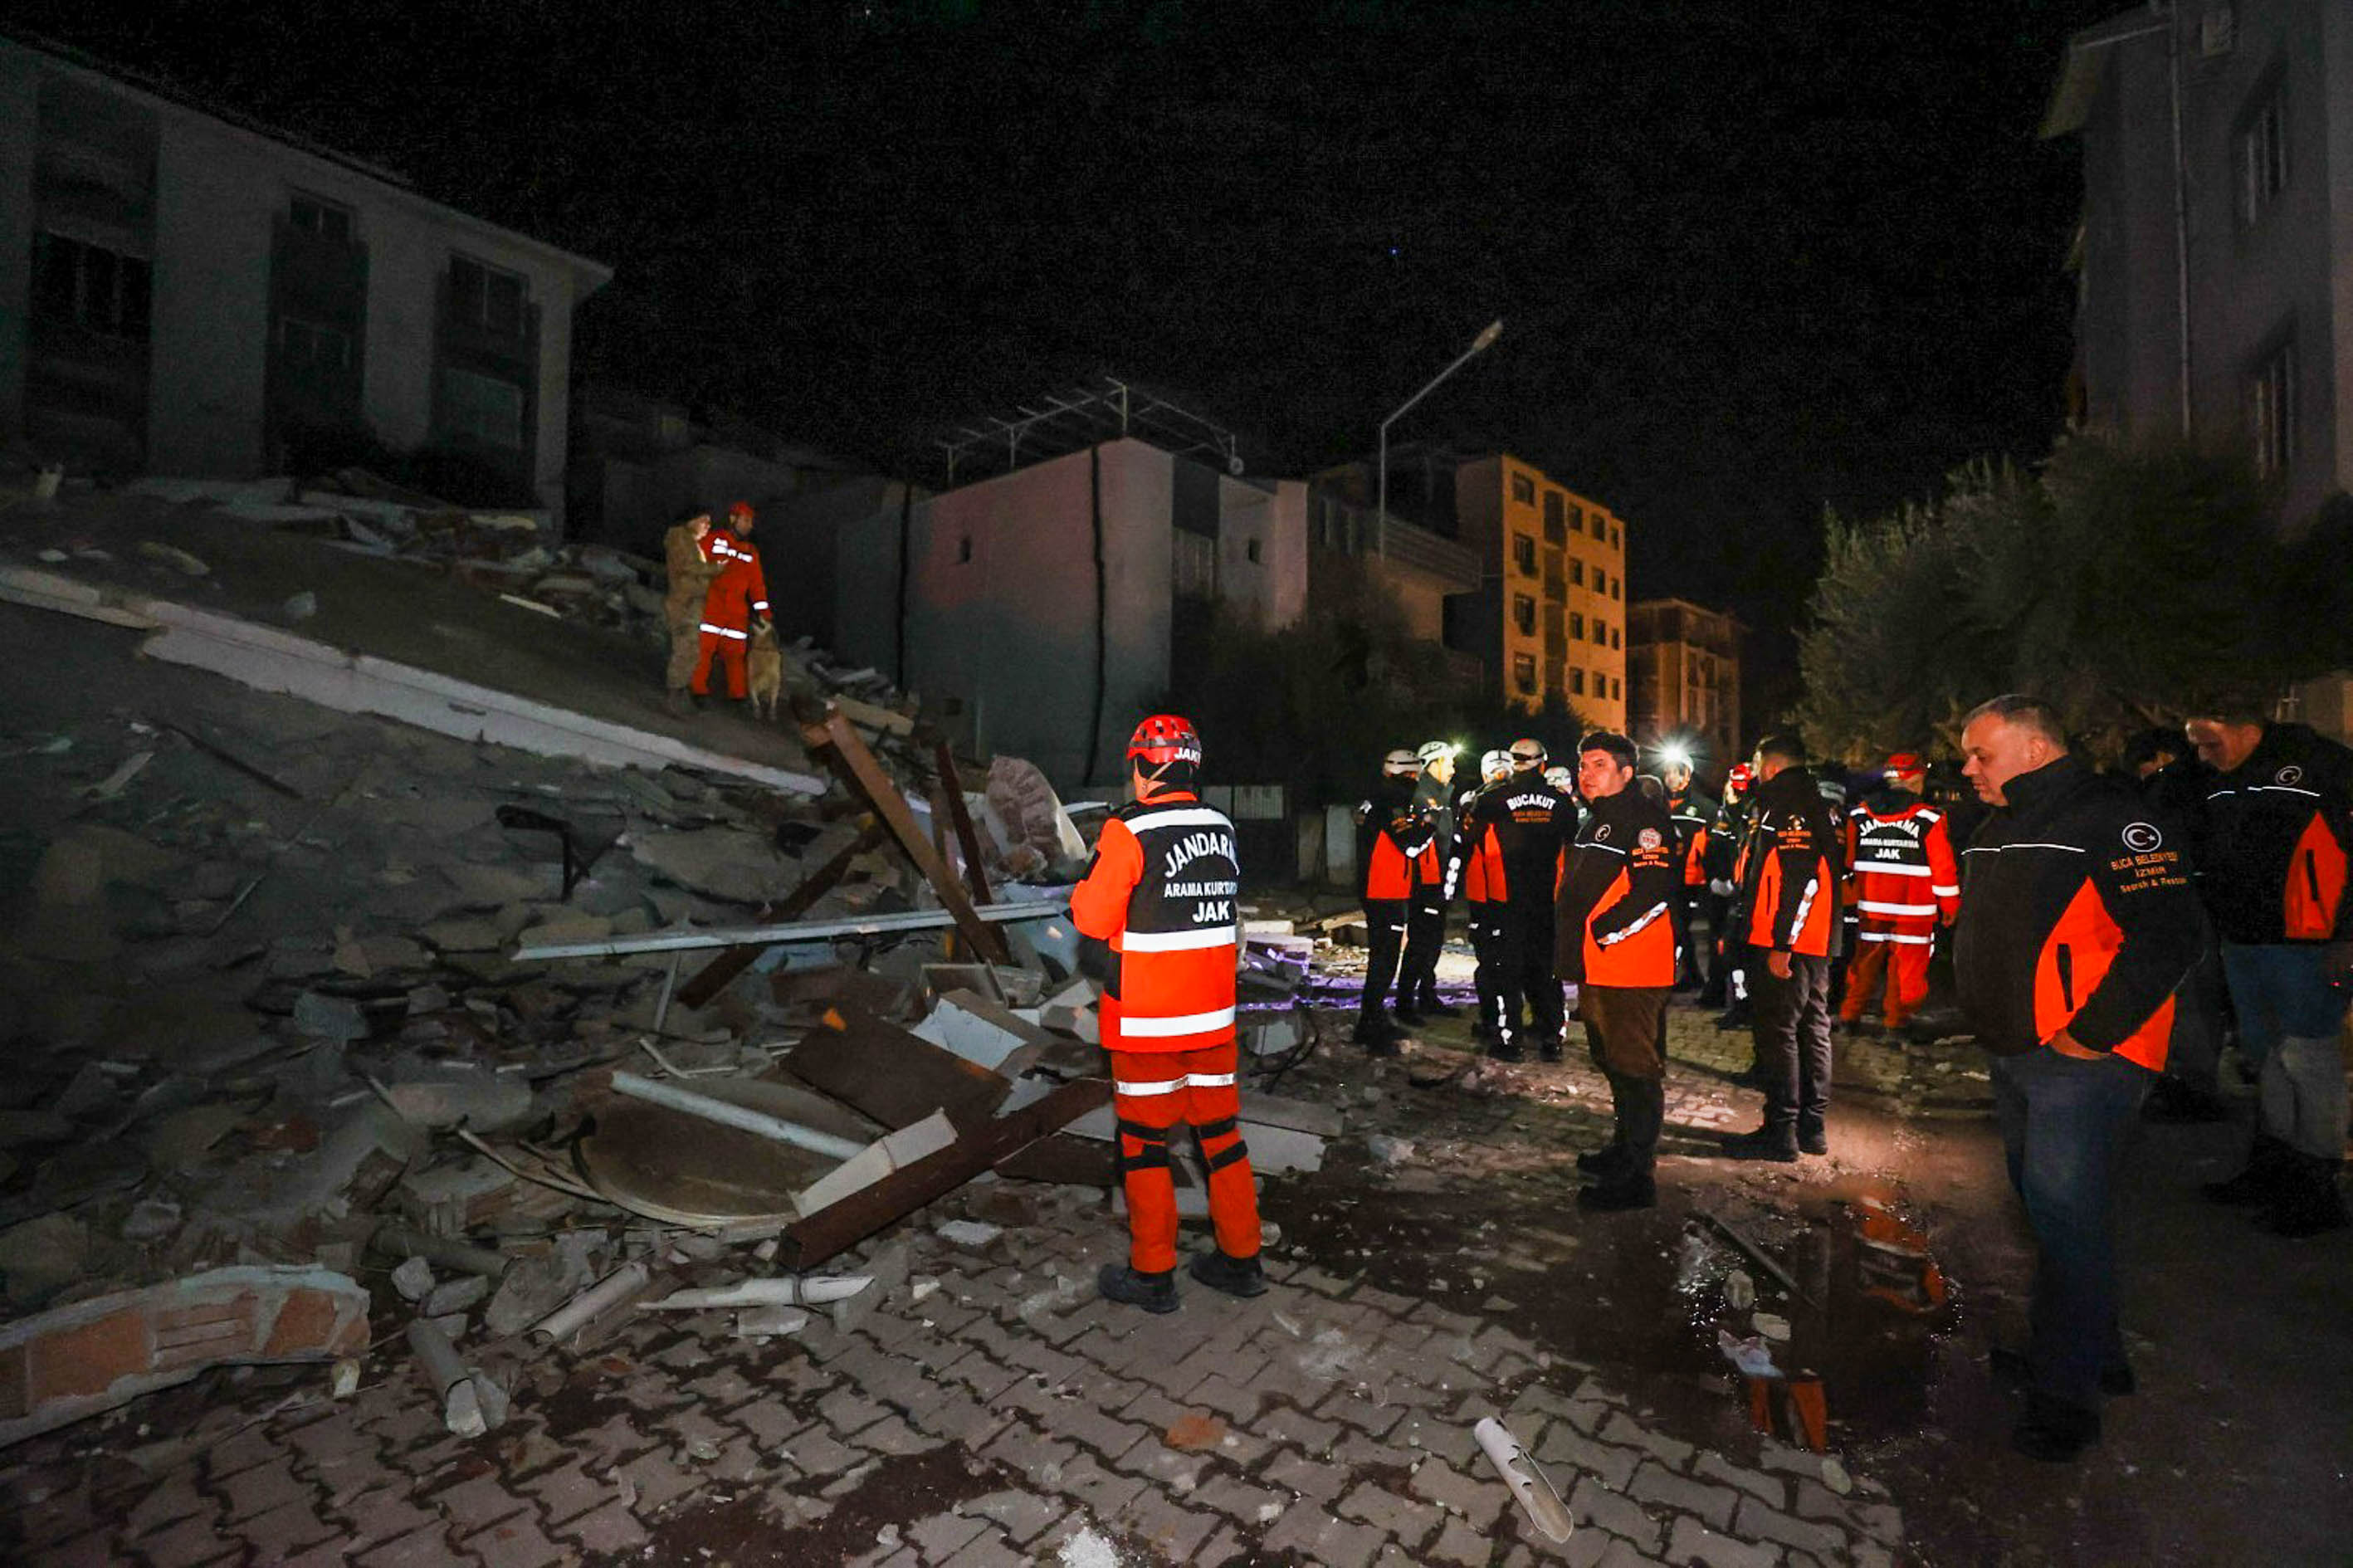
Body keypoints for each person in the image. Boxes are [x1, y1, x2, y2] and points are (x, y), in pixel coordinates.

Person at [1952, 695, 2204, 1461]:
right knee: (2056, 1214)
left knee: (2064, 1220)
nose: (1967, 769)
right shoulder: (2002, 821)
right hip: (2018, 1051)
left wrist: (2088, 1035)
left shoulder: (2107, 815)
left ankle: (2065, 1396)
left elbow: (2170, 934)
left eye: (1980, 754)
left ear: (2034, 748)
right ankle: (2090, 1351)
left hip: (2080, 1059)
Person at [1071, 714, 1266, 1312]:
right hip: (1212, 1019)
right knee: (1221, 1137)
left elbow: (1091, 920)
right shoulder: (1221, 826)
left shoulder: (1128, 829)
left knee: (1143, 1144)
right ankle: (1241, 1260)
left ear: (1141, 767)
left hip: (1147, 1023)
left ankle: (1153, 1274)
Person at [2185, 704, 2353, 1236]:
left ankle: (2320, 1183)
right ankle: (2278, 1167)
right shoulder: (2227, 779)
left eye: (2209, 742)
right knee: (2267, 1056)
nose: (2201, 755)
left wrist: (2347, 934)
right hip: (2245, 938)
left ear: (2246, 730)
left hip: (2308, 939)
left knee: (2308, 1057)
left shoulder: (2323, 766)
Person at [1557, 733, 1682, 1210]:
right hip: (1599, 967)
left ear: (1627, 773)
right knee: (1612, 1062)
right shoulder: (1597, 818)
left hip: (1631, 968)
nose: (1587, 774)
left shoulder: (1643, 820)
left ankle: (1637, 1176)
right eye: (1583, 765)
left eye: (1600, 765)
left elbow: (1653, 892)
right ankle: (1622, 1149)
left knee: (1635, 1069)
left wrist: (1605, 932)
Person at [1719, 735, 1842, 1160]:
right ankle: (1810, 1127)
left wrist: (1782, 944)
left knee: (1780, 1033)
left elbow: (1801, 880)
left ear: (1769, 765)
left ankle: (1781, 1131)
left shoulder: (1790, 805)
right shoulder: (1808, 800)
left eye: (1756, 764)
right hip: (1812, 939)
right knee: (1811, 1028)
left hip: (1790, 942)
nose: (1754, 772)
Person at [1469, 739, 1579, 1060]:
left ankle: (1511, 1041)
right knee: (1546, 970)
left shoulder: (1492, 800)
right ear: (1542, 764)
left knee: (1508, 971)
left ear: (1514, 763)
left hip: (1506, 900)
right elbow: (1573, 845)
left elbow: (1472, 840)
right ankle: (1551, 1038)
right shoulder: (1561, 802)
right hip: (1547, 900)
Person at [1838, 752, 1960, 1034]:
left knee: (1863, 963)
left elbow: (1850, 862)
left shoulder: (1859, 816)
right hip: (1913, 910)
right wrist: (1950, 906)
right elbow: (1943, 868)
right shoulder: (1929, 818)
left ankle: (1849, 1016)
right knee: (1907, 970)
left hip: (1870, 907)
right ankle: (1896, 1022)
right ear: (1916, 780)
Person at [1353, 749, 1431, 1053]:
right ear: (1410, 773)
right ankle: (1372, 1024)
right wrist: (1429, 823)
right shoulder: (1392, 801)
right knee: (1384, 960)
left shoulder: (1374, 798)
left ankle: (1372, 1019)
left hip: (1378, 887)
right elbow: (1410, 845)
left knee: (1381, 958)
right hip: (1385, 889)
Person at [1449, 750, 1515, 1041]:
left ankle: (1494, 1022)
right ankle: (1527, 1023)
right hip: (1519, 894)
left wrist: (1448, 893)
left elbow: (1460, 845)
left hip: (1486, 896)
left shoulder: (1475, 803)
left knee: (1489, 964)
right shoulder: (1527, 801)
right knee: (1518, 961)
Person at [1397, 742, 1461, 1023]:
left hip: (1440, 882)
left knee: (1433, 942)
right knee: (1420, 943)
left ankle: (1427, 995)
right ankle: (1405, 1003)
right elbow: (1423, 841)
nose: (1453, 769)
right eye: (1449, 763)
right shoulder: (1422, 796)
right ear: (1434, 763)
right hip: (1425, 884)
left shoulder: (1441, 795)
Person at [692, 501, 771, 707]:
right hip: (713, 605)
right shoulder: (714, 540)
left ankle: (737, 695)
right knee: (705, 650)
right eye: (746, 520)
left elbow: (757, 585)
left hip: (736, 612)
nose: (749, 525)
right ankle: (698, 690)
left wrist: (765, 614)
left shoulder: (750, 552)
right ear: (733, 519)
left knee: (736, 653)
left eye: (751, 522)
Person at [1661, 755, 1720, 993]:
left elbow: (1716, 844)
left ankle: (1695, 975)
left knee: (1686, 929)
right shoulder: (1657, 805)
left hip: (1693, 880)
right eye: (1667, 772)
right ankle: (1687, 973)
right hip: (1665, 878)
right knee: (1675, 930)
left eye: (1675, 772)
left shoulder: (1704, 808)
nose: (1669, 778)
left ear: (1687, 775)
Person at [1705, 763, 1756, 1023]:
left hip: (1742, 894)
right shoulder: (1724, 814)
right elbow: (1715, 849)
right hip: (1726, 890)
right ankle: (1731, 999)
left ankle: (1743, 1004)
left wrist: (1732, 884)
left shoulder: (1749, 817)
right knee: (1726, 949)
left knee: (1737, 952)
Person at [661, 510, 721, 715]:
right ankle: (674, 697)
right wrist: (715, 569)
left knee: (692, 652)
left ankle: (680, 693)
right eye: (704, 521)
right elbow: (689, 567)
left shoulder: (691, 543)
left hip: (692, 605)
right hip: (683, 604)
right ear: (691, 520)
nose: (707, 526)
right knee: (685, 649)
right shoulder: (680, 538)